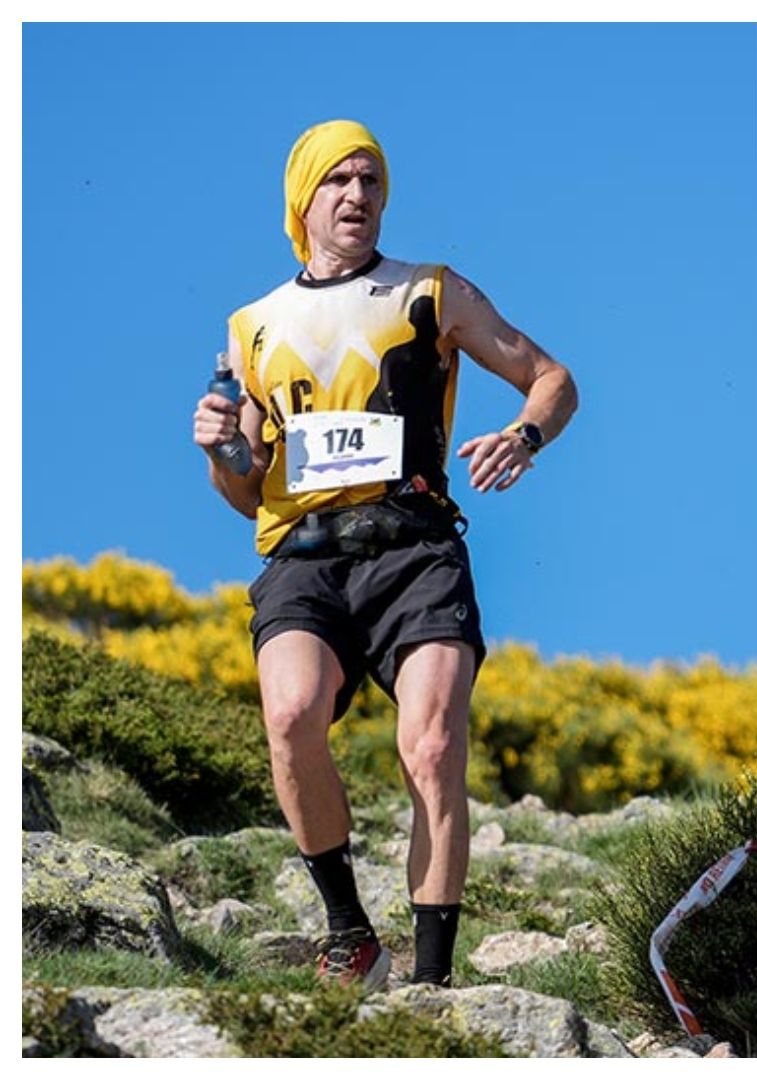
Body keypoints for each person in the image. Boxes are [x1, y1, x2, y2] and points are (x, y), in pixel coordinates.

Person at [191, 120, 578, 988]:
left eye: (370, 181)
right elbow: (249, 488)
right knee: (290, 716)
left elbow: (553, 377)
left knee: (432, 745)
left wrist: (525, 434)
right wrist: (219, 449)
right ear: (304, 200)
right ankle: (348, 933)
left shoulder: (429, 292)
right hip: (304, 555)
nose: (358, 196)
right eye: (338, 182)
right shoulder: (252, 326)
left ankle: (433, 980)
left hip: (415, 550)